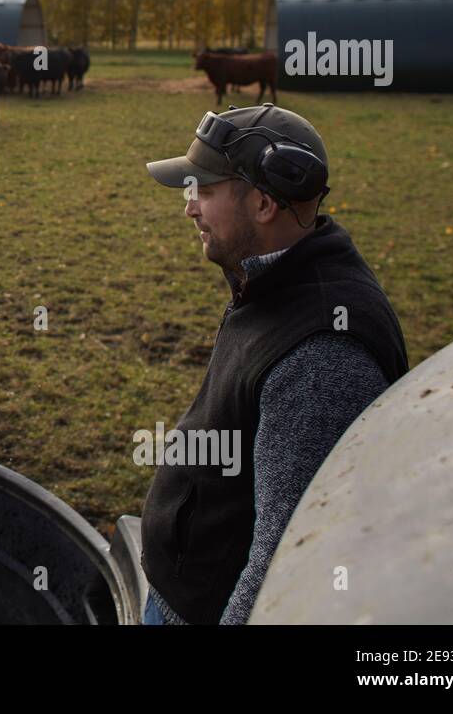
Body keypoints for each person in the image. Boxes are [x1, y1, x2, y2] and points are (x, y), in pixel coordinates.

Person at [138, 103, 409, 624]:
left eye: (205, 191)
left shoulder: (323, 357)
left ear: (263, 203)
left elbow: (285, 557)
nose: (189, 209)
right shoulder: (273, 278)